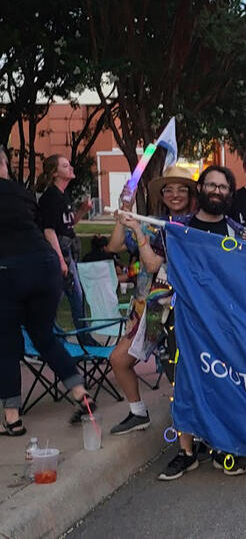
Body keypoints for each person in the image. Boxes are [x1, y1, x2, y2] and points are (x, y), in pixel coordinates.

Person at [159, 165, 246, 480]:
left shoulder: (237, 233)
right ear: (200, 189)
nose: (216, 191)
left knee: (224, 382)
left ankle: (222, 447)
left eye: (222, 187)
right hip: (185, 318)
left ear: (229, 194)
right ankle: (186, 452)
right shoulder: (177, 228)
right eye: (211, 185)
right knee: (184, 382)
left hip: (223, 321)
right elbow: (155, 263)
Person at [1, 146, 95, 436]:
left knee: (7, 343)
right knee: (44, 336)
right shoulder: (23, 194)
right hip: (46, 266)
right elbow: (41, 228)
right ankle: (80, 393)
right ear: (5, 164)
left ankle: (12, 418)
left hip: (10, 270)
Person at [105, 164, 198, 436]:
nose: (175, 194)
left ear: (191, 194)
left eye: (182, 189)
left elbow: (153, 263)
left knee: (181, 371)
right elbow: (115, 245)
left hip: (178, 307)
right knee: (120, 360)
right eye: (170, 189)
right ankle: (138, 413)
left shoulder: (193, 226)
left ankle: (194, 431)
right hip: (148, 307)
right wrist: (124, 212)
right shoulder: (153, 223)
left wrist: (138, 228)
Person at [36, 154, 94, 344]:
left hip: (67, 252)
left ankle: (82, 337)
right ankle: (51, 337)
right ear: (55, 173)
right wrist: (60, 259)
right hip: (58, 253)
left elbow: (68, 224)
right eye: (65, 166)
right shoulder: (51, 197)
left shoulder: (63, 196)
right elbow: (49, 230)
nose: (70, 168)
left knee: (76, 296)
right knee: (56, 298)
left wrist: (82, 210)